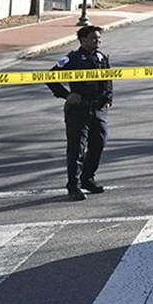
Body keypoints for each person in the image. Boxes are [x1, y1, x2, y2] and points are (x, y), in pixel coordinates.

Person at [47, 25, 113, 200]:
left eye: (99, 38)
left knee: (98, 144)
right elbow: (50, 77)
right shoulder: (72, 59)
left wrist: (108, 99)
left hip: (98, 110)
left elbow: (108, 80)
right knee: (77, 149)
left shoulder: (101, 57)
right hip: (78, 110)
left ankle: (87, 178)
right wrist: (67, 95)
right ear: (83, 40)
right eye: (94, 38)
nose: (97, 41)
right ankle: (73, 186)